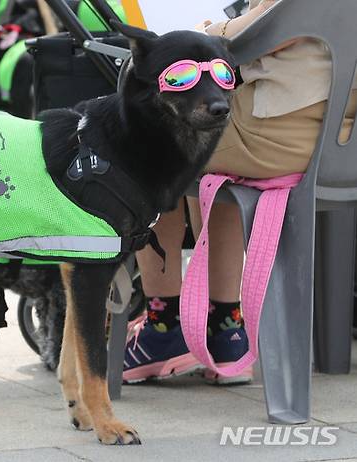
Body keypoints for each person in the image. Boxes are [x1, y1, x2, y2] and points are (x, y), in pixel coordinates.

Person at [123, 0, 357, 385]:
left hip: (278, 139)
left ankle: (163, 325)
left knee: (151, 138)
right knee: (211, 156)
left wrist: (207, 31)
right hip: (342, 141)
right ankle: (226, 325)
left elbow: (251, 36)